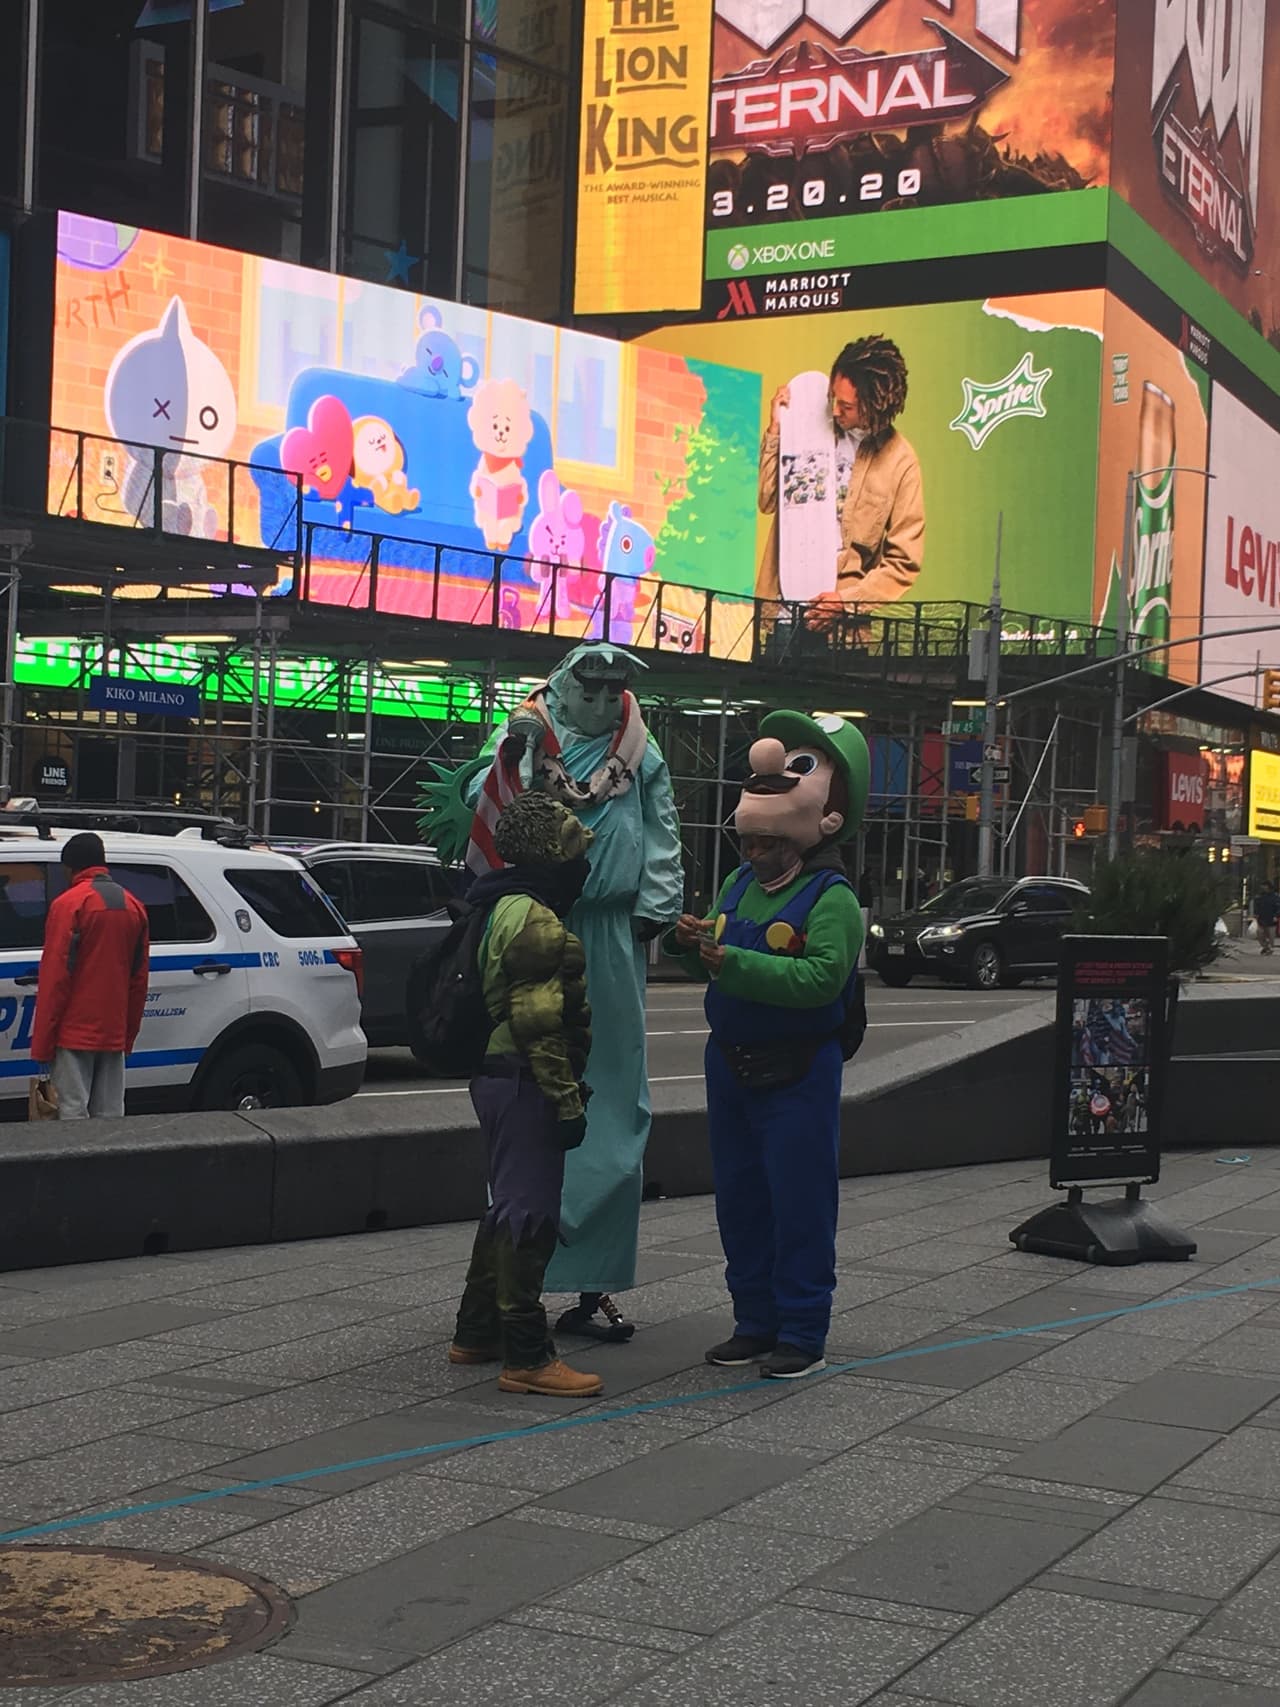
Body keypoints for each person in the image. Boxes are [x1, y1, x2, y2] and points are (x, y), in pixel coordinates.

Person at [431, 642, 684, 1344]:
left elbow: (663, 829)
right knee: (535, 1101)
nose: (603, 701)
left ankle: (592, 1279)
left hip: (611, 936)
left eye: (615, 689)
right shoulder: (526, 723)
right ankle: (518, 1287)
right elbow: (479, 792)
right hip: (541, 917)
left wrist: (656, 903)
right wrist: (515, 751)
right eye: (591, 687)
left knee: (616, 1105)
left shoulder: (639, 747)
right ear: (566, 684)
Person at [668, 711, 868, 1380]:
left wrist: (732, 964)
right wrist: (690, 945)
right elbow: (715, 960)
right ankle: (754, 1320)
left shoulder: (831, 896)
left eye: (766, 846)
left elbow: (820, 981)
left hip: (797, 1071)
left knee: (800, 1200)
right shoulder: (738, 885)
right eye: (748, 843)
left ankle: (803, 1329)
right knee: (741, 1198)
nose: (753, 856)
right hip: (729, 1065)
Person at [450, 791, 603, 1398]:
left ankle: (476, 1329)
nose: (581, 854)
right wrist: (565, 1099)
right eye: (570, 843)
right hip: (524, 1077)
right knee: (529, 1214)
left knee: (506, 1205)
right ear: (546, 852)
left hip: (493, 1074)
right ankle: (527, 1354)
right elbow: (540, 1021)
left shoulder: (498, 904)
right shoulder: (535, 919)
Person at [757, 335, 924, 623]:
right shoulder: (810, 427)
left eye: (846, 407)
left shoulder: (901, 462)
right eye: (833, 399)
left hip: (843, 630)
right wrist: (776, 430)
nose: (835, 411)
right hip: (780, 612)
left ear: (874, 406)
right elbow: (768, 500)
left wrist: (846, 602)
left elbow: (903, 562)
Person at [32, 832, 149, 1120]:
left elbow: (55, 979)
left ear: (70, 867)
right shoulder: (134, 906)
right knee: (110, 1115)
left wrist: (43, 1044)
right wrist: (128, 1036)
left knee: (71, 1114)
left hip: (74, 1032)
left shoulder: (69, 905)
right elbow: (138, 981)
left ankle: (74, 1167)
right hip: (113, 1032)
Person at [1253, 881, 1279, 955]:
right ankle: (1266, 947)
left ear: (1269, 887)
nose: (1263, 888)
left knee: (1271, 936)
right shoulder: (1259, 897)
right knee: (1260, 934)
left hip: (1271, 919)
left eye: (1265, 886)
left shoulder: (1275, 897)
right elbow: (1256, 906)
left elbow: (1278, 907)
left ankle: (1268, 948)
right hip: (1261, 919)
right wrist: (1256, 913)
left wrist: (1276, 915)